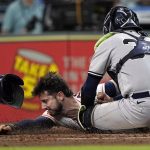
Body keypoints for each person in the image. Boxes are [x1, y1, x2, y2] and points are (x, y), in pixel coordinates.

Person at [78, 6, 150, 131]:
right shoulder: (148, 40)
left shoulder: (109, 41)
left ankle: (136, 127)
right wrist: (113, 101)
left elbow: (88, 89)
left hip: (139, 110)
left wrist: (87, 107)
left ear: (109, 25)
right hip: (139, 104)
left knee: (85, 116)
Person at [0, 72, 118, 134]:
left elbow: (129, 88)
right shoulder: (56, 116)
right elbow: (35, 123)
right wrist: (12, 127)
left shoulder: (93, 93)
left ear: (60, 96)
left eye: (46, 101)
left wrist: (113, 100)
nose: (43, 106)